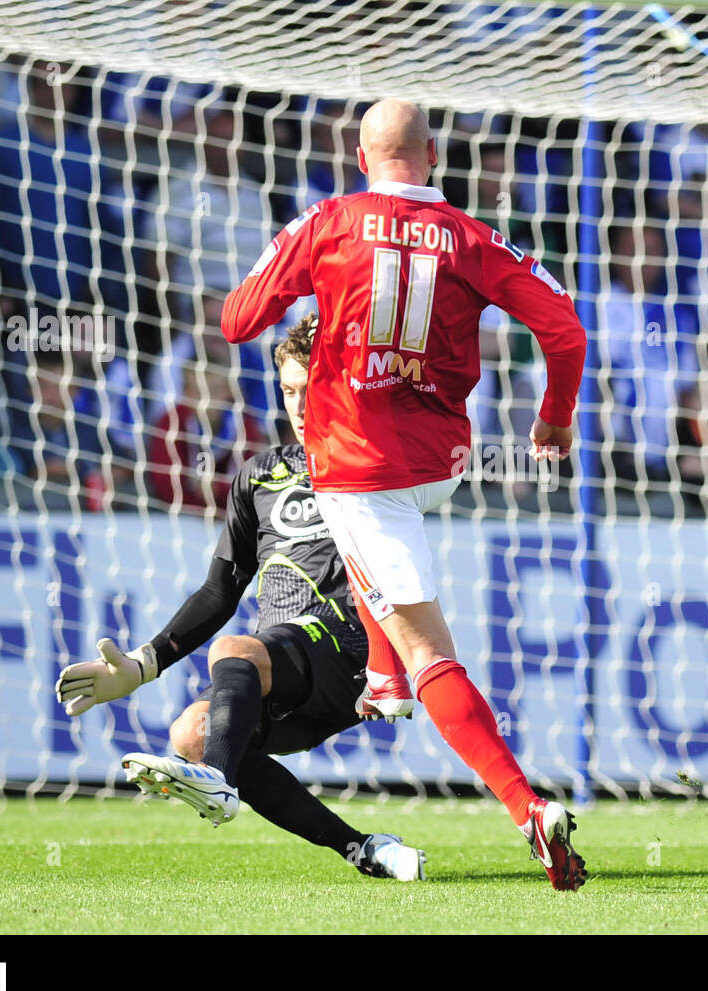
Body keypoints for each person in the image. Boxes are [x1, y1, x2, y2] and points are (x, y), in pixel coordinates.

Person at [222, 99, 590, 890]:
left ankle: (529, 809)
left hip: (364, 467)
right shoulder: (473, 238)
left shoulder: (329, 222)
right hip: (442, 460)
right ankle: (382, 675)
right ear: (433, 156)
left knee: (431, 651)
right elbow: (564, 332)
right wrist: (553, 421)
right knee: (375, 559)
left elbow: (237, 319)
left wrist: (308, 282)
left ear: (361, 159)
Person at [54, 315, 426, 882]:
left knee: (238, 652)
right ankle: (364, 848)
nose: (300, 407)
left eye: (314, 390)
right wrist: (140, 664)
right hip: (284, 671)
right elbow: (220, 589)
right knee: (191, 735)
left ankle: (220, 785)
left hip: (352, 650)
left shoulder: (376, 464)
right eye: (290, 391)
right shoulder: (259, 476)